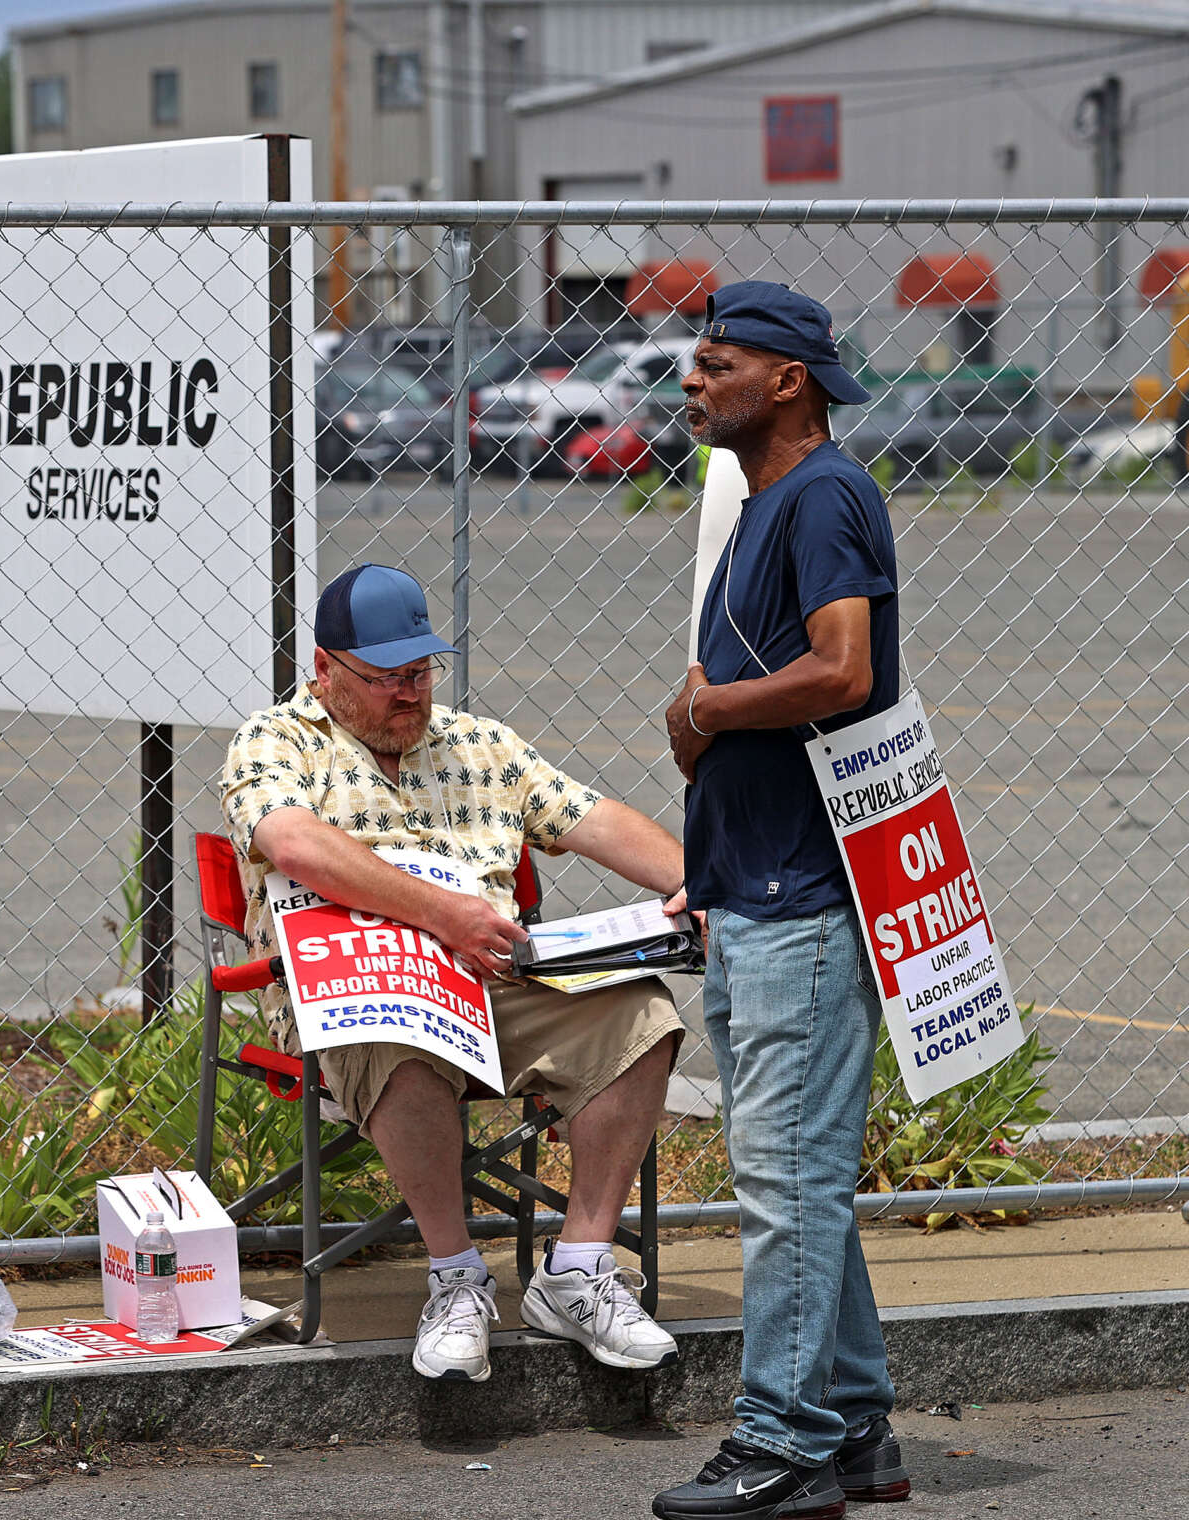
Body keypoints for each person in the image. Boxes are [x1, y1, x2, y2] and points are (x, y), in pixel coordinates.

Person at [221, 561, 689, 1383]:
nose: (410, 693)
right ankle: (456, 1279)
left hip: (495, 989)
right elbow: (292, 842)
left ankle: (578, 1272)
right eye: (386, 678)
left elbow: (589, 817)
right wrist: (444, 918)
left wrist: (697, 885)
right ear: (325, 670)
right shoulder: (276, 741)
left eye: (421, 671)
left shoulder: (479, 745)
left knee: (641, 1013)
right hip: (358, 996)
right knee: (389, 1029)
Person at [653, 282, 910, 1520]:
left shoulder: (818, 495)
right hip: (756, 887)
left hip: (801, 898)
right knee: (798, 1173)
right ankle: (854, 1428)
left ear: (786, 379)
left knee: (785, 1183)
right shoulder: (761, 503)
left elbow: (842, 668)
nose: (690, 383)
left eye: (712, 364)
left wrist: (702, 711)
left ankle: (784, 1442)